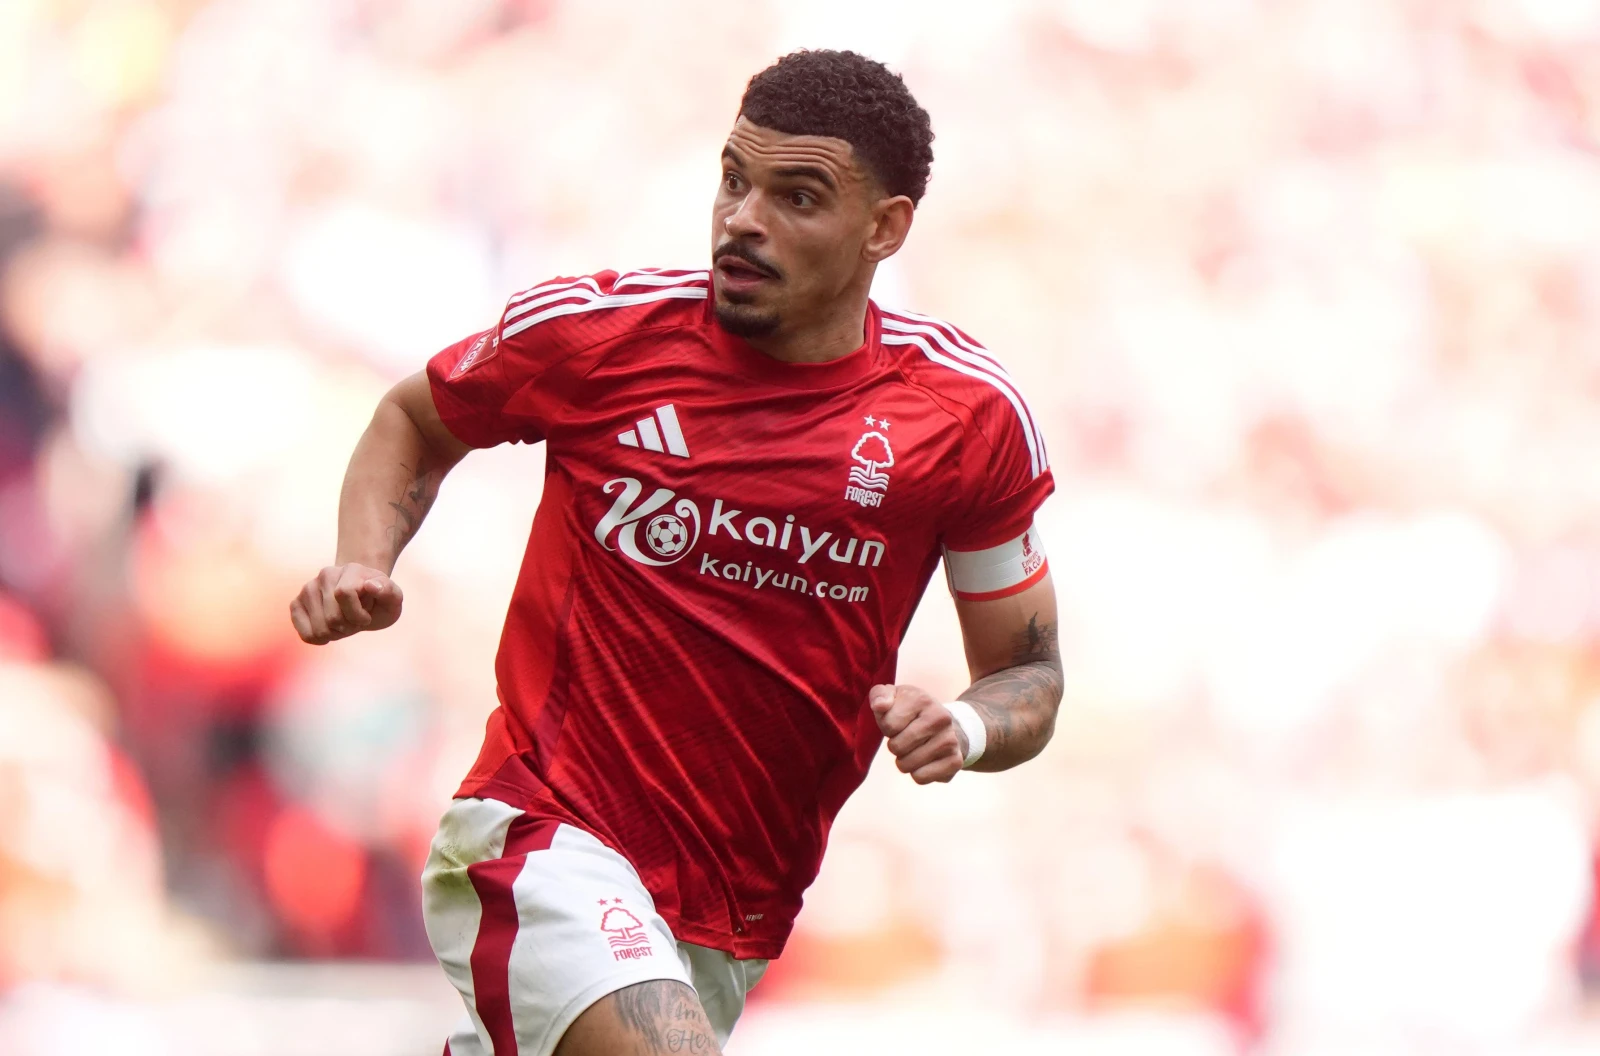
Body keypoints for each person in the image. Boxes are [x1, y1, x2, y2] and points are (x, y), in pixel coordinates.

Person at [289, 48, 1061, 1056]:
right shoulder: (599, 335)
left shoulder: (962, 419)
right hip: (543, 834)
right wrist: (364, 559)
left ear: (885, 227)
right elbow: (414, 418)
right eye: (734, 180)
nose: (743, 218)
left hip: (729, 907)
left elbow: (1027, 671)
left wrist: (962, 726)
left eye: (796, 197)